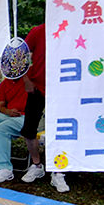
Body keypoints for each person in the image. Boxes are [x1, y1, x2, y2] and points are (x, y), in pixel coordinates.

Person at [19, 23, 69, 192]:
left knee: (60, 131)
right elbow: (20, 55)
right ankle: (36, 165)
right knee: (29, 129)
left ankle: (58, 171)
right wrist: (26, 80)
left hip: (63, 88)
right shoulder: (38, 30)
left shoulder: (74, 29)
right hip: (38, 87)